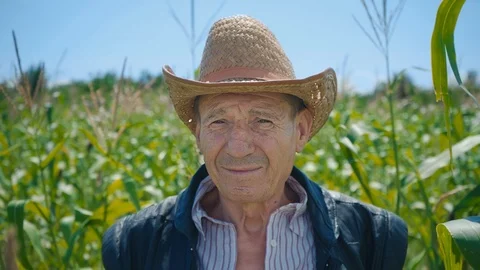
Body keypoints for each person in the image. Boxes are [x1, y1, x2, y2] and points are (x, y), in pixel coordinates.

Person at [102, 15, 407, 270]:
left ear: (300, 130)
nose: (238, 147)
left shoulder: (374, 237)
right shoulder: (134, 244)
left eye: (262, 120)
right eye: (218, 121)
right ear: (198, 134)